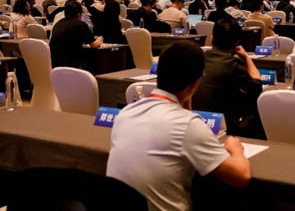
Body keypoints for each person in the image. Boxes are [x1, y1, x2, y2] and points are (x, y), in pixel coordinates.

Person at [107, 41, 251, 211]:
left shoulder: (126, 113)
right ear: (197, 82)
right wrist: (236, 149)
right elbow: (241, 177)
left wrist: (186, 100)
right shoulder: (188, 125)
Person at [192, 19, 265, 139]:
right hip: (223, 128)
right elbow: (257, 86)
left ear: (212, 38)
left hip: (195, 122)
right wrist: (246, 57)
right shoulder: (233, 64)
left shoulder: (197, 59)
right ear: (236, 43)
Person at [50, 1, 103, 69]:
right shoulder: (81, 25)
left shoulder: (58, 24)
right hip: (72, 66)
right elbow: (94, 45)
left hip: (55, 66)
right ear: (79, 14)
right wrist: (99, 40)